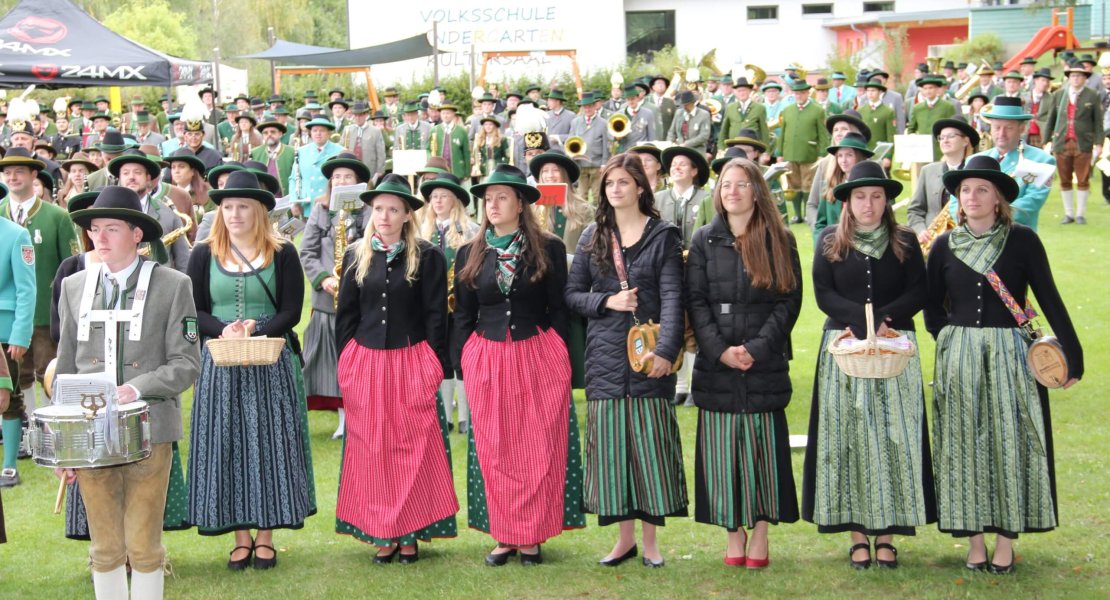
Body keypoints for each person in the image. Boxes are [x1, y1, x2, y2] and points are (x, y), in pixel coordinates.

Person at [925, 155, 1083, 574]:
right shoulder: (944, 244)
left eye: (982, 189)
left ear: (998, 197)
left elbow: (1049, 297)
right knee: (962, 447)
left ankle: (1005, 542)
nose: (972, 197)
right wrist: (950, 340)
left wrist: (1073, 357)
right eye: (965, 190)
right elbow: (931, 309)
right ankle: (973, 540)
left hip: (1011, 356)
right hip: (959, 357)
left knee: (1011, 445)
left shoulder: (1022, 240)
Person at [55, 185, 201, 599]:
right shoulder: (74, 285)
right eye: (95, 229)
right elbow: (66, 366)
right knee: (104, 549)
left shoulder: (173, 285)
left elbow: (186, 364)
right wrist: (65, 444)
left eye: (111, 229)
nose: (99, 238)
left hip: (150, 430)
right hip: (89, 434)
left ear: (137, 234)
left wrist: (134, 388)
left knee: (142, 546)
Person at [802, 160, 935, 570]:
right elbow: (823, 293)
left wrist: (884, 321)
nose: (869, 204)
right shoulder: (829, 240)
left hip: (895, 347)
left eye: (877, 196)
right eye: (861, 196)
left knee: (896, 437)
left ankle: (889, 536)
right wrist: (863, 322)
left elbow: (920, 290)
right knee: (849, 439)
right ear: (847, 201)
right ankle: (858, 535)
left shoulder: (906, 241)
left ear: (887, 200)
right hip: (844, 347)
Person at [453, 164, 585, 566]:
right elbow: (463, 315)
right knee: (496, 447)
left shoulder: (549, 247)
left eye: (502, 197)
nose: (493, 205)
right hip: (488, 354)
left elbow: (559, 309)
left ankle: (532, 535)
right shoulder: (469, 251)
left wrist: (560, 356)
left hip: (538, 351)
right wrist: (465, 360)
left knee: (538, 444)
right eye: (488, 198)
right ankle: (504, 534)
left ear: (521, 203)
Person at [185, 170, 314, 570]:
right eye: (227, 207)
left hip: (271, 361)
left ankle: (266, 536)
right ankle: (241, 537)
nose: (234, 214)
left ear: (259, 211)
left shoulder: (283, 252)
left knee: (270, 444)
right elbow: (194, 311)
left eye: (243, 206)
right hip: (220, 362)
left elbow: (291, 310)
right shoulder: (203, 252)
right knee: (227, 445)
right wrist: (225, 330)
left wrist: (255, 328)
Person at [565, 153, 688, 568]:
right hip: (605, 356)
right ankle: (623, 541)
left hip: (651, 353)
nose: (615, 189)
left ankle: (651, 543)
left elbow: (673, 297)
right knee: (613, 453)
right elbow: (572, 295)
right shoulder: (590, 237)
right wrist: (607, 301)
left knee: (651, 449)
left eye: (623, 182)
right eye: (609, 184)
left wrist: (667, 352)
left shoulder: (664, 235)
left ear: (640, 186)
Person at [333, 173, 459, 563]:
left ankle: (409, 532)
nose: (384, 216)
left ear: (407, 214)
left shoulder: (428, 255)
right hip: (366, 360)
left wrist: (435, 365)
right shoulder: (356, 254)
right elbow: (347, 315)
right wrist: (347, 363)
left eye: (393, 209)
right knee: (373, 447)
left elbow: (437, 316)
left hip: (411, 359)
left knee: (411, 447)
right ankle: (381, 531)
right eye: (379, 208)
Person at [685, 157, 801, 569]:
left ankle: (762, 532)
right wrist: (719, 349)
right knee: (722, 454)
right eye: (726, 185)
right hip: (718, 363)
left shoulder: (779, 238)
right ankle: (734, 533)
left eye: (741, 184)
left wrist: (756, 348)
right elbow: (695, 300)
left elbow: (789, 300)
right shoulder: (703, 239)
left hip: (763, 361)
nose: (732, 191)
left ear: (756, 191)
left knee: (763, 453)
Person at [0, 148, 79, 487]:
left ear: (35, 177)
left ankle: (52, 436)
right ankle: (28, 436)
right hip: (11, 318)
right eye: (8, 172)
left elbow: (71, 267)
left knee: (50, 374)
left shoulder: (56, 216)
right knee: (19, 381)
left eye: (21, 171)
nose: (14, 176)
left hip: (46, 312)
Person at [299, 153, 371, 434]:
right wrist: (324, 278)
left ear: (358, 182)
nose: (341, 181)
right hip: (328, 299)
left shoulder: (368, 211)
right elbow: (308, 250)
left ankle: (364, 413)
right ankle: (343, 419)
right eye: (337, 177)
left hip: (363, 297)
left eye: (348, 177)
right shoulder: (320, 210)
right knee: (331, 360)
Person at [419, 172, 479, 434]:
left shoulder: (470, 230)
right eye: (434, 197)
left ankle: (465, 415)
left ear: (456, 200)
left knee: (460, 358)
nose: (438, 201)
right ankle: (445, 415)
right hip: (432, 306)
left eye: (444, 196)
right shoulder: (423, 231)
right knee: (439, 358)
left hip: (461, 306)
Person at [972, 97, 1055, 230]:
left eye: (1009, 128)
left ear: (1021, 128)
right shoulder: (976, 159)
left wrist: (987, 217)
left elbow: (1031, 202)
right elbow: (956, 199)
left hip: (1015, 236)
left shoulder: (1040, 160)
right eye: (997, 127)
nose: (1001, 133)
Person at [0, 179, 34, 494]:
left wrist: (20, 335)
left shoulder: (15, 234)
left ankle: (9, 464)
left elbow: (26, 290)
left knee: (7, 397)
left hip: (4, 330)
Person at [1043, 64, 1104, 225]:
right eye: (1073, 76)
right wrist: (1045, 141)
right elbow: (1051, 120)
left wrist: (1099, 142)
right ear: (1068, 78)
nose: (1076, 78)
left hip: (1083, 142)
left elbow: (1098, 121)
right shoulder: (1059, 95)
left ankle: (1080, 214)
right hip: (1062, 142)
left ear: (1085, 78)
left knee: (1083, 178)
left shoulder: (1093, 95)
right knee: (1064, 179)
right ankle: (1068, 213)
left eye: (1079, 76)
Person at [907, 117, 979, 240]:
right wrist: (920, 230)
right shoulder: (927, 171)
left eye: (951, 136)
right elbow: (915, 210)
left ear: (965, 141)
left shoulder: (977, 173)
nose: (945, 140)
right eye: (941, 137)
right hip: (933, 240)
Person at [806, 111, 873, 229]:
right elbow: (812, 204)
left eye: (844, 129)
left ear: (855, 133)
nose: (838, 133)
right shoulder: (824, 165)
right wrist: (821, 233)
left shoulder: (872, 166)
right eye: (835, 130)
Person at [778, 81, 830, 224]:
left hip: (809, 153)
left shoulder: (817, 110)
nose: (799, 96)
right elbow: (782, 133)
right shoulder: (787, 110)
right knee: (793, 185)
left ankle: (808, 214)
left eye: (802, 93)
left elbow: (823, 134)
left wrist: (821, 154)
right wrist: (779, 153)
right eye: (796, 93)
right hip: (790, 153)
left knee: (808, 184)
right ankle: (797, 214)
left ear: (808, 93)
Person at [811, 133, 874, 239]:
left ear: (860, 157)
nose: (843, 160)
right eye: (840, 156)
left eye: (849, 155)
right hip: (834, 249)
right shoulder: (830, 185)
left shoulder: (872, 187)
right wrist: (822, 247)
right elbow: (820, 224)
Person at [528, 149, 592, 251]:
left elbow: (590, 247)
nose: (550, 175)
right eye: (545, 171)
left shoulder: (583, 209)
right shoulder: (531, 209)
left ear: (564, 174)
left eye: (556, 170)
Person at [289, 117, 345, 215]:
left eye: (322, 130)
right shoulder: (301, 151)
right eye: (315, 130)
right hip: (307, 205)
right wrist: (294, 202)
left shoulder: (340, 151)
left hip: (331, 203)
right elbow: (294, 178)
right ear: (310, 133)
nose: (318, 133)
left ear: (329, 133)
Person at [717, 77, 769, 151]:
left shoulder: (759, 108)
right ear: (735, 92)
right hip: (733, 147)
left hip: (752, 148)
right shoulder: (730, 107)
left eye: (744, 90)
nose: (741, 93)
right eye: (739, 91)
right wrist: (721, 147)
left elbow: (764, 131)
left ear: (750, 91)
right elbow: (724, 130)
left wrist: (766, 152)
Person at [341, 102, 387, 184]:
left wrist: (380, 170)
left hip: (369, 168)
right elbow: (341, 148)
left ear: (366, 115)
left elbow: (380, 152)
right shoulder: (347, 129)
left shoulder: (375, 131)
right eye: (356, 115)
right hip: (351, 168)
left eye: (360, 115)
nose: (358, 118)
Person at [250, 120, 295, 197]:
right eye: (265, 133)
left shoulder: (292, 152)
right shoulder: (255, 153)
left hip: (287, 199)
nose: (269, 135)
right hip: (264, 199)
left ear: (280, 134)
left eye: (273, 132)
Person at [667, 91, 711, 156]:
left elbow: (704, 136)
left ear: (692, 103)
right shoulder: (678, 113)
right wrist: (669, 143)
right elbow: (671, 131)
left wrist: (686, 144)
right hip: (679, 150)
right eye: (683, 105)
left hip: (697, 151)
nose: (684, 107)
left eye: (686, 105)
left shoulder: (704, 114)